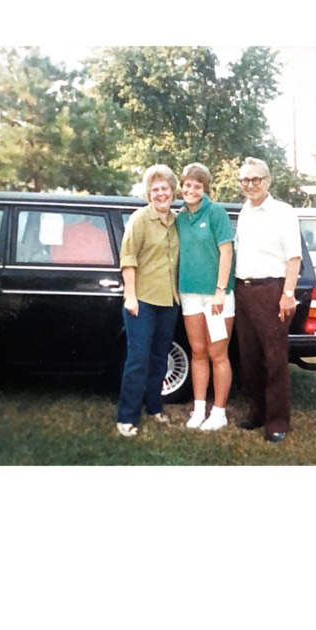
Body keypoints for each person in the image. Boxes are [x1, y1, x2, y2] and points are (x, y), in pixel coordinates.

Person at [234, 157, 302, 442]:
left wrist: (287, 295)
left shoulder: (283, 212)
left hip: (272, 292)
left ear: (268, 181)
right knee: (248, 359)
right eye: (245, 180)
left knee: (274, 359)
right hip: (244, 291)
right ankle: (257, 412)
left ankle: (276, 422)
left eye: (255, 179)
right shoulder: (244, 212)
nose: (250, 185)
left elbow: (293, 257)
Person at [116, 165, 180, 437]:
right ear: (148, 193)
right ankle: (127, 416)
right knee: (138, 359)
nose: (160, 193)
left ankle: (154, 408)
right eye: (154, 189)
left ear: (172, 191)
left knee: (159, 359)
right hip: (141, 300)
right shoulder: (139, 219)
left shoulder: (178, 221)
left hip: (169, 301)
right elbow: (128, 258)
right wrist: (130, 295)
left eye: (164, 188)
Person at [175, 163, 235, 431]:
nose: (191, 189)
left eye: (197, 186)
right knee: (197, 353)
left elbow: (227, 252)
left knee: (217, 353)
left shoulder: (216, 213)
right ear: (182, 186)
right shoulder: (179, 218)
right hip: (189, 296)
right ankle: (199, 410)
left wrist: (220, 291)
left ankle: (219, 412)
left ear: (205, 189)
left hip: (216, 298)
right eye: (187, 184)